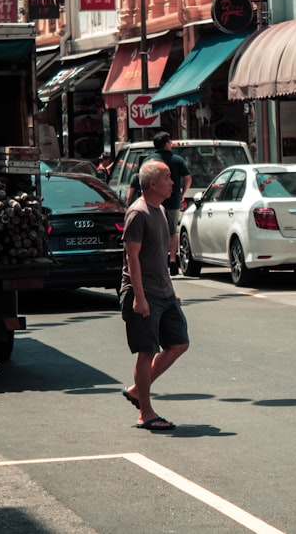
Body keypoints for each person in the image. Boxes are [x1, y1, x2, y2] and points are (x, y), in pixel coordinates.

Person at [119, 159, 190, 431]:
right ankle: (145, 413)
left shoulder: (158, 209)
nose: (173, 182)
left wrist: (171, 288)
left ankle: (138, 389)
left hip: (164, 292)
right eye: (168, 177)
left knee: (179, 343)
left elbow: (159, 256)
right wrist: (139, 297)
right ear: (152, 183)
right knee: (146, 351)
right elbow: (132, 259)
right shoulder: (138, 213)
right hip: (144, 292)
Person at [147, 131, 192, 273]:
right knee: (173, 231)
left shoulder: (149, 160)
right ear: (167, 144)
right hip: (173, 201)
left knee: (155, 231)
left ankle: (159, 260)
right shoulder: (177, 160)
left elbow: (142, 179)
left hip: (153, 201)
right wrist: (182, 193)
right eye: (170, 142)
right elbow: (188, 178)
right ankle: (173, 261)